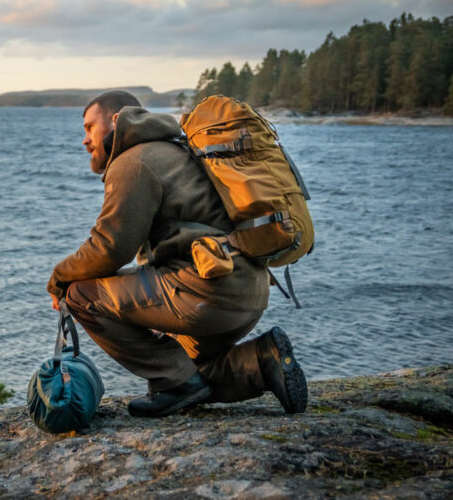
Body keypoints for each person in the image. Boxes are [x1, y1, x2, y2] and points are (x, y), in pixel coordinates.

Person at [46, 90, 307, 418]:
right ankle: (262, 360)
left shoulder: (134, 162)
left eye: (89, 127)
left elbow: (111, 248)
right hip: (247, 290)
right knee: (194, 371)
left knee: (81, 294)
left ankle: (174, 383)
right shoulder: (178, 150)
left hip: (209, 293)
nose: (85, 140)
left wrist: (59, 279)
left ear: (116, 120)